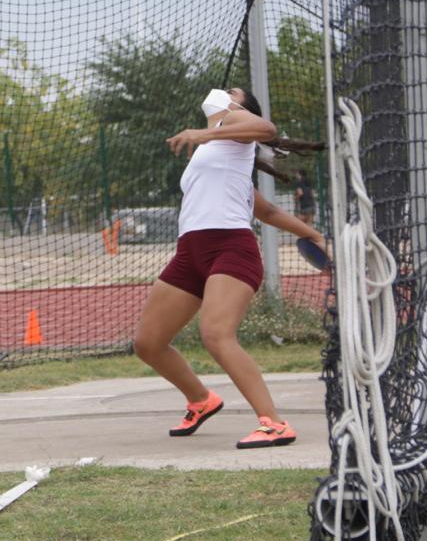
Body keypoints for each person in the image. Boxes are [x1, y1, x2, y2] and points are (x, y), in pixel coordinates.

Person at [133, 87, 325, 449]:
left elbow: (266, 129)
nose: (222, 91)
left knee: (217, 333)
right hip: (190, 252)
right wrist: (315, 235)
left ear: (239, 107)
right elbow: (267, 211)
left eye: (233, 91)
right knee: (148, 343)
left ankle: (274, 423)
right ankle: (201, 399)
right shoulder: (219, 152)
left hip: (231, 249)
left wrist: (203, 131)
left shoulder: (231, 123)